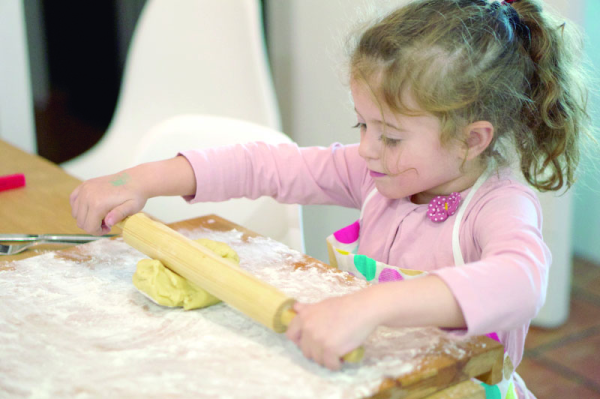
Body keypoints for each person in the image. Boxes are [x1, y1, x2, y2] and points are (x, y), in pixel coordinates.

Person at [70, 0, 590, 397]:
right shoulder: (376, 176)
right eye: (361, 125)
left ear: (471, 139)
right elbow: (268, 165)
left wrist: (372, 304)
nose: (366, 149)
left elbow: (521, 282)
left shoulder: (497, 206)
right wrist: (140, 180)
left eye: (389, 136)